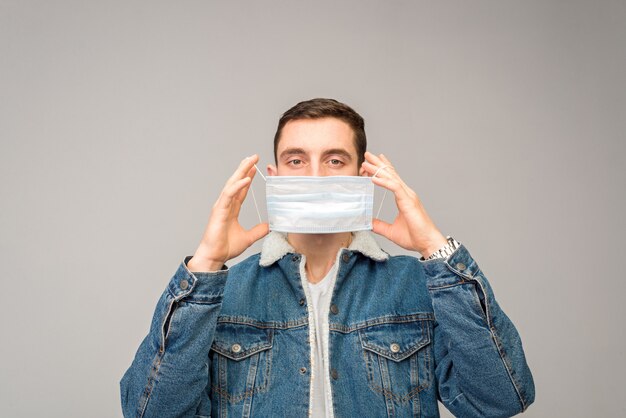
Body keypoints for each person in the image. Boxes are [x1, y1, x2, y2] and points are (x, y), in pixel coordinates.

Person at [120, 98, 535, 417]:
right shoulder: (222, 295)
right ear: (275, 176)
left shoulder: (417, 285)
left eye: (334, 160)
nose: (315, 176)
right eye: (296, 160)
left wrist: (434, 248)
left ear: (361, 176)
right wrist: (207, 263)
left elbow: (500, 399)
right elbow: (153, 411)